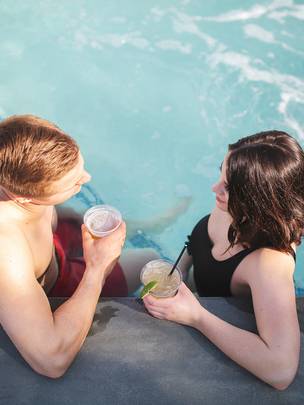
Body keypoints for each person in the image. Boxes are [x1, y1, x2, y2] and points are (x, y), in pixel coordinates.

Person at [0, 114, 190, 377]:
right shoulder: (7, 253)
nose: (86, 179)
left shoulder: (20, 162)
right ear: (23, 198)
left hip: (54, 247)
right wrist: (97, 269)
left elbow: (52, 207)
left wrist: (74, 219)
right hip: (58, 285)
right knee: (150, 259)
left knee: (79, 221)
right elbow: (51, 360)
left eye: (81, 169)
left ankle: (145, 224)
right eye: (74, 183)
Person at [143, 130, 303, 390]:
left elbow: (281, 370)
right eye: (222, 173)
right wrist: (174, 275)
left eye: (229, 187)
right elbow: (198, 246)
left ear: (257, 201)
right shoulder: (234, 207)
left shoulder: (270, 264)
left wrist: (196, 316)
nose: (214, 188)